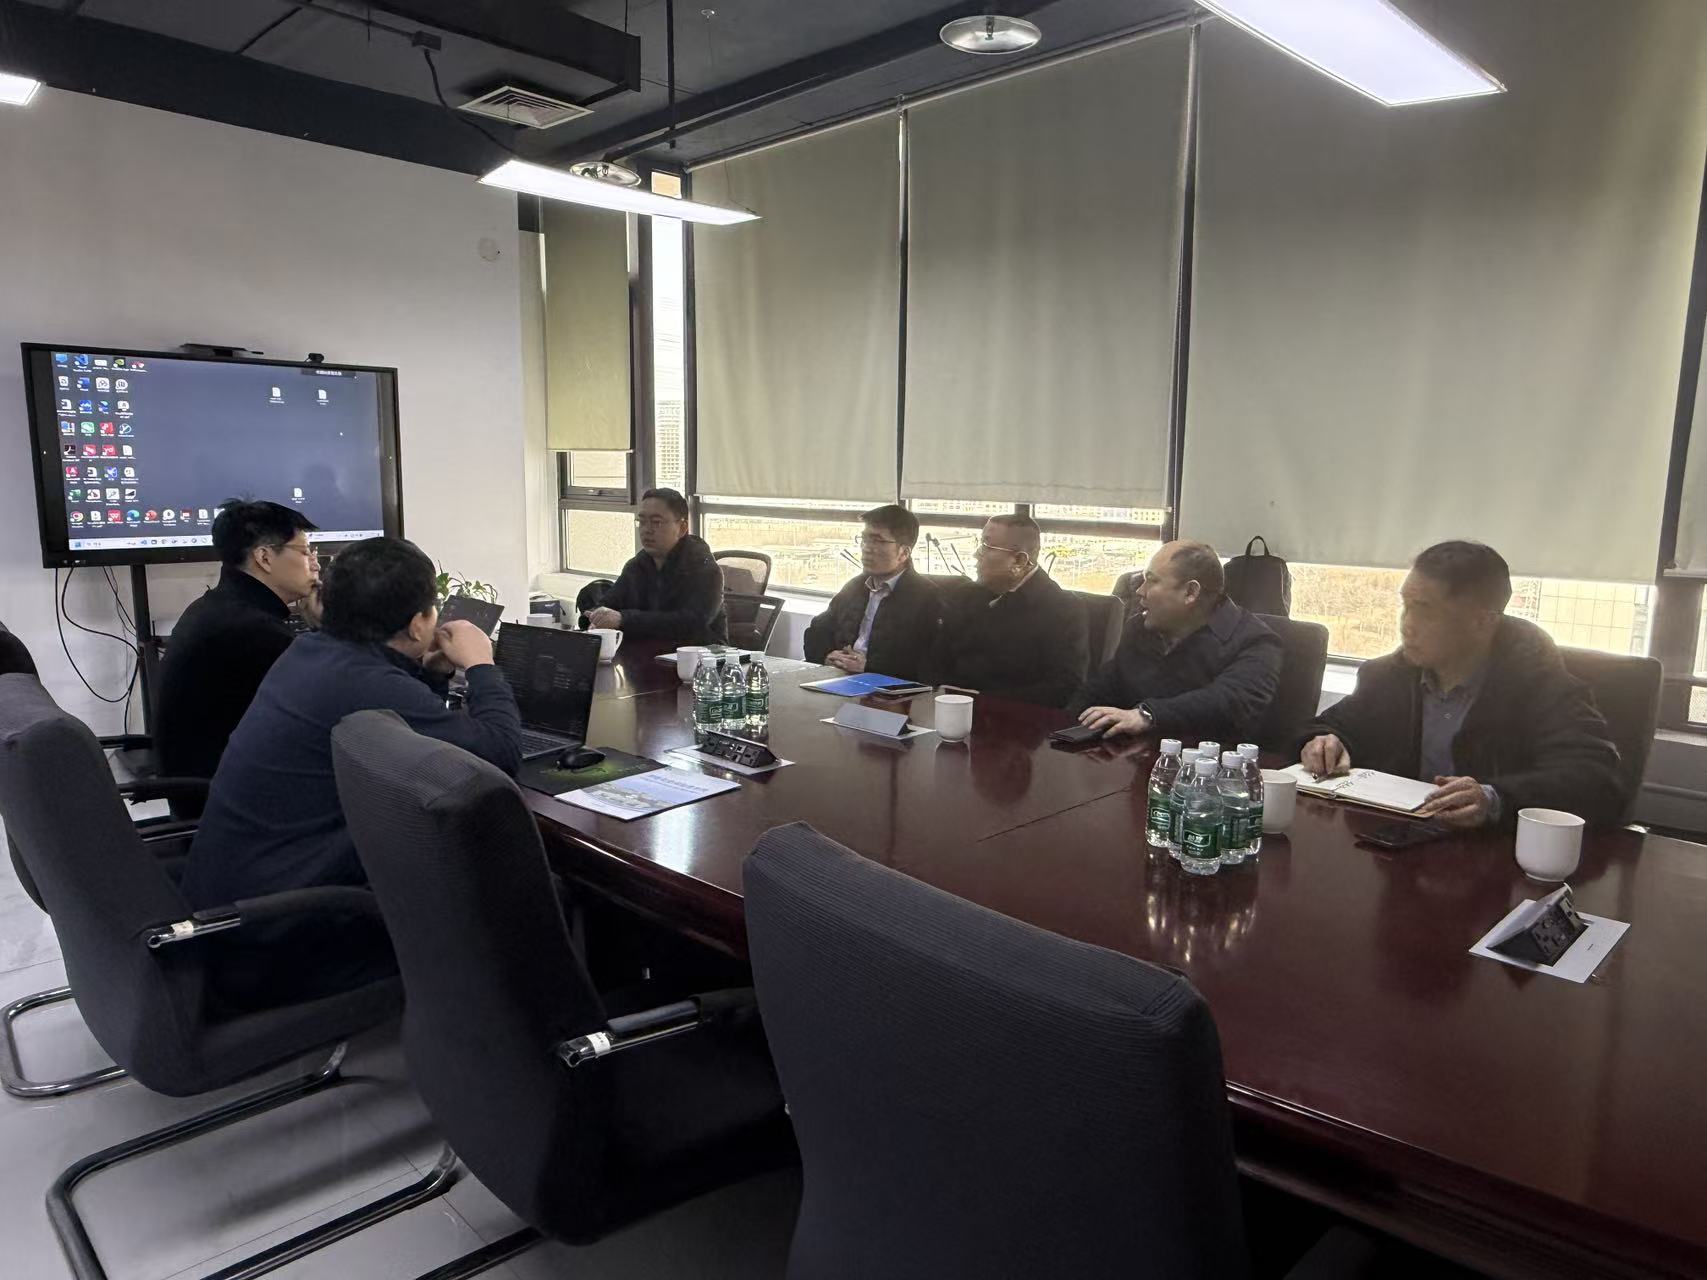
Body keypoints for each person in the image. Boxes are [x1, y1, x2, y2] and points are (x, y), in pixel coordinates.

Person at [178, 535, 521, 1007]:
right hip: (278, 942)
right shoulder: (363, 679)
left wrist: (431, 673)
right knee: (505, 896)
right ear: (418, 623)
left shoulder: (312, 653)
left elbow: (400, 725)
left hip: (233, 915)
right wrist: (481, 664)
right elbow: (499, 754)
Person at [1298, 541, 1623, 828]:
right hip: (1397, 846)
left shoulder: (1540, 685)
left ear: (1481, 621)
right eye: (1406, 605)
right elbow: (1331, 726)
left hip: (1494, 858)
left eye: (1423, 610)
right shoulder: (1388, 676)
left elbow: (1596, 778)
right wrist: (1324, 741)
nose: (1406, 625)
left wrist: (1494, 799)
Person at [153, 502, 321, 807]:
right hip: (232, 804)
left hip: (204, 790)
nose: (315, 564)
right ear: (264, 557)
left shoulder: (215, 608)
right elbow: (324, 711)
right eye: (305, 551)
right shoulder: (254, 631)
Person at [1075, 541, 1282, 744]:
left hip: (1206, 761)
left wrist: (1148, 715)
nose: (1140, 591)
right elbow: (1105, 686)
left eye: (1152, 581)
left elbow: (1229, 702)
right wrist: (1066, 726)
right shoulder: (1140, 628)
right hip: (1132, 755)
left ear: (1190, 592)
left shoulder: (1255, 642)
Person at [933, 515, 1087, 708]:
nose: (977, 554)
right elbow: (937, 657)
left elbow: (1063, 687)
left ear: (1019, 561)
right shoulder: (965, 594)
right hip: (951, 707)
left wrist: (983, 701)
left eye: (987, 546)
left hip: (1015, 716)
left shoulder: (1063, 610)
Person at [803, 504, 942, 681]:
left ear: (904, 553)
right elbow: (816, 632)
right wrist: (827, 655)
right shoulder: (855, 587)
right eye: (865, 539)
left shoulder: (927, 598)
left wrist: (869, 667)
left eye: (878, 541)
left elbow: (928, 662)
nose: (867, 548)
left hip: (886, 688)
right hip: (839, 678)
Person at [587, 489, 728, 646]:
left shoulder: (705, 569)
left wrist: (624, 619)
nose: (646, 530)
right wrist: (597, 617)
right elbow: (609, 602)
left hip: (701, 655)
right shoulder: (636, 566)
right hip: (646, 653)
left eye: (656, 522)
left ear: (682, 528)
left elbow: (692, 622)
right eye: (642, 522)